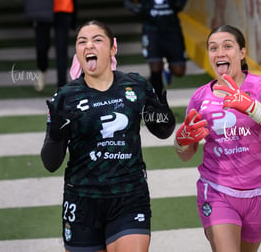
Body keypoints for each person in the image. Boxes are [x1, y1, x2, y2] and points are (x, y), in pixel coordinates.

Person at [40, 20, 176, 252]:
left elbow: (163, 132)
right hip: (82, 201)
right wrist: (55, 136)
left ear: (113, 48)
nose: (88, 46)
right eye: (82, 41)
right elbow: (50, 163)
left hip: (129, 196)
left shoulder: (136, 85)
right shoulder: (65, 97)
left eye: (97, 40)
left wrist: (164, 116)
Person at [174, 25, 261, 252]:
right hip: (217, 191)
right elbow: (186, 155)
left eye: (227, 46)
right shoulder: (200, 97)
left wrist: (253, 108)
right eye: (213, 48)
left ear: (242, 52)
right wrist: (180, 141)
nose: (219, 52)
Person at [123, 0, 189, 98]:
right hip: (151, 29)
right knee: (155, 67)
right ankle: (158, 101)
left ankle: (167, 68)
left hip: (172, 29)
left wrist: (180, 5)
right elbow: (128, 0)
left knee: (179, 71)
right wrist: (137, 9)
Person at [20, 0, 87, 91]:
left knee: (62, 47)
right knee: (42, 46)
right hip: (41, 1)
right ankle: (42, 68)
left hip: (64, 3)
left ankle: (61, 87)